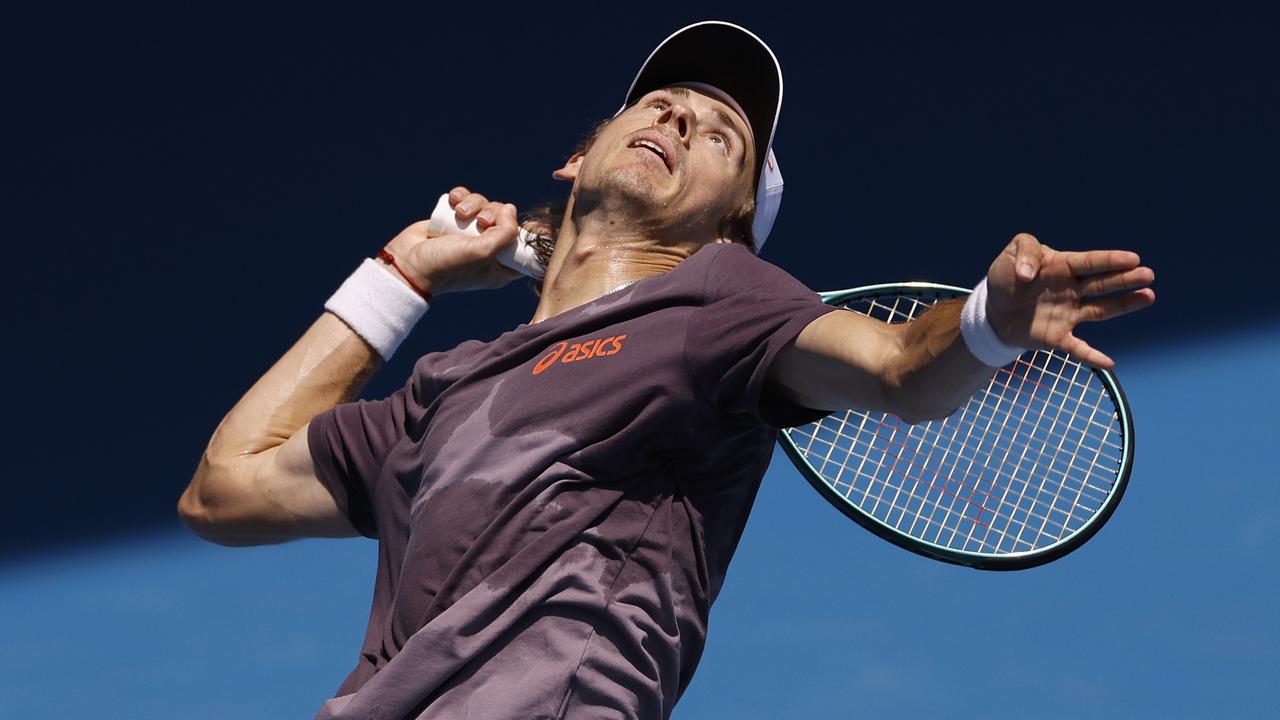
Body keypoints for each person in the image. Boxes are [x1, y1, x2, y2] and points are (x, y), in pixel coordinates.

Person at [177, 20, 1155, 720]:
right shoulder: (448, 391)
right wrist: (402, 275)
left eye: (719, 136)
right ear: (577, 158)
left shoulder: (717, 303)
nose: (679, 120)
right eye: (659, 103)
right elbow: (224, 491)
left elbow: (899, 366)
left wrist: (989, 321)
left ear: (729, 223)